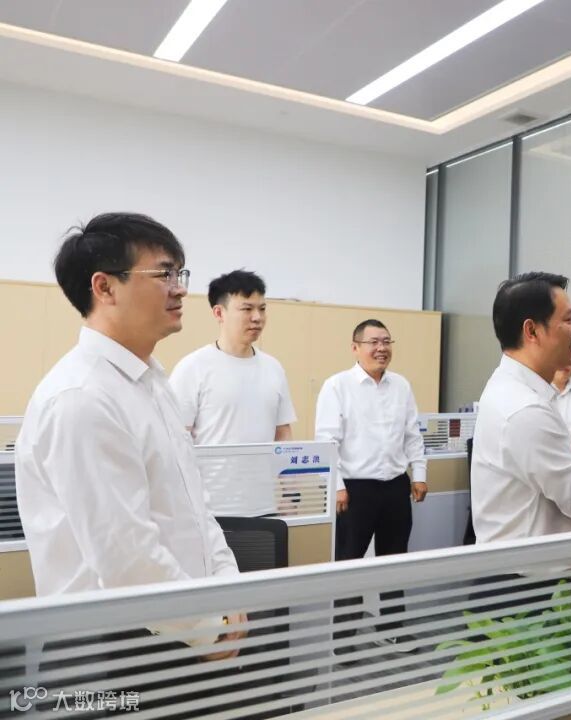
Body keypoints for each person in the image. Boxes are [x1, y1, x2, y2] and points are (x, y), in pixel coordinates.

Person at [15, 212, 243, 661]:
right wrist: (209, 628)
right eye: (163, 274)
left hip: (180, 626)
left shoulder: (152, 382)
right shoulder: (82, 398)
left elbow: (196, 508)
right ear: (104, 287)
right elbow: (126, 556)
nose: (180, 289)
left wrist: (228, 593)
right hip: (113, 646)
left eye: (180, 274)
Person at [471, 272, 571, 544]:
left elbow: (550, 456)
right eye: (567, 320)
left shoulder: (513, 389)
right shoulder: (524, 409)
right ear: (532, 331)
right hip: (530, 569)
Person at [314, 319, 426, 645]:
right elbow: (327, 441)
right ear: (355, 348)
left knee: (396, 561)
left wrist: (419, 474)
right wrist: (336, 485)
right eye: (373, 342)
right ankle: (344, 637)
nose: (381, 348)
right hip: (354, 490)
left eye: (386, 341)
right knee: (349, 564)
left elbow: (412, 434)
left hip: (395, 487)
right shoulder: (337, 386)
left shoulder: (401, 386)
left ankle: (392, 630)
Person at [170, 270, 297, 516]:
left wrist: (289, 493)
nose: (257, 318)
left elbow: (283, 435)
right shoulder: (193, 367)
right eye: (247, 309)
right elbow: (177, 441)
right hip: (211, 509)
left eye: (262, 309)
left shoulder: (273, 368)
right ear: (219, 313)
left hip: (265, 506)